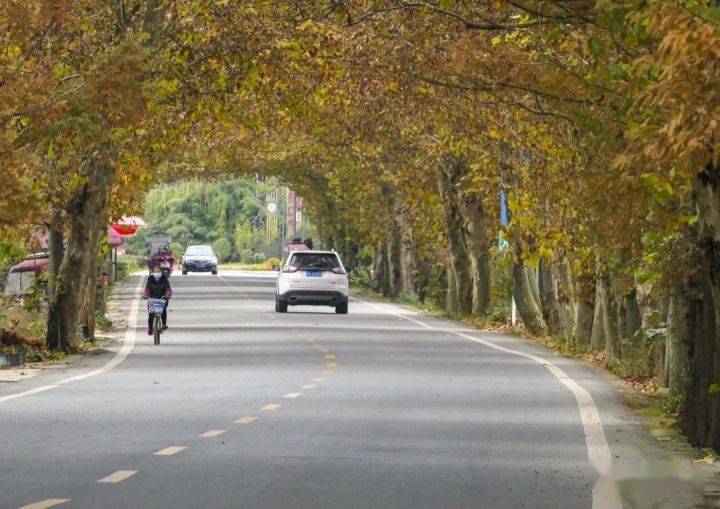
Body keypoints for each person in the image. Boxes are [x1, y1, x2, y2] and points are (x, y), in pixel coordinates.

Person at [143, 267, 172, 335]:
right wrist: (145, 295)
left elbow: (168, 288)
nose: (157, 273)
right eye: (156, 272)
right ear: (153, 272)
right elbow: (147, 289)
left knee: (163, 309)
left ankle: (164, 324)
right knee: (151, 314)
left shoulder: (164, 278)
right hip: (152, 299)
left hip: (162, 298)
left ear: (161, 272)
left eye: (158, 272)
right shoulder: (150, 278)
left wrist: (168, 294)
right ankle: (150, 329)